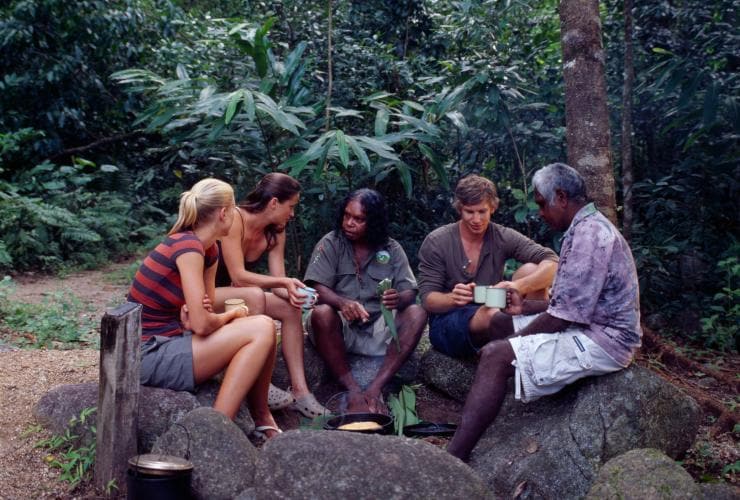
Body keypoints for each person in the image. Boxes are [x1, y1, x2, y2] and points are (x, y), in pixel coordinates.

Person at [446, 163, 642, 461]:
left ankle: (454, 457)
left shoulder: (590, 235)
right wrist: (525, 307)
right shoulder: (583, 227)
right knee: (501, 321)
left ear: (561, 197)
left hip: (606, 341)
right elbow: (570, 305)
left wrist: (515, 345)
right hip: (587, 325)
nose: (539, 212)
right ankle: (497, 403)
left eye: (541, 203)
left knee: (496, 354)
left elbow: (564, 317)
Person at [128, 178, 281, 439]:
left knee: (263, 328)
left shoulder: (209, 250)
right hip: (147, 353)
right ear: (223, 213)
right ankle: (214, 432)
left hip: (172, 339)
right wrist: (230, 315)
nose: (236, 215)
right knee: (262, 326)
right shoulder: (187, 247)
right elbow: (202, 324)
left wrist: (203, 319)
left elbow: (204, 316)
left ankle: (260, 415)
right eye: (234, 209)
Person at [213, 173, 328, 418]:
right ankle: (258, 383)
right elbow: (239, 275)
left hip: (235, 295)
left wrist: (293, 292)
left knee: (290, 308)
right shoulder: (234, 219)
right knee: (253, 295)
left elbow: (278, 284)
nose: (293, 213)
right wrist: (284, 282)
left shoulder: (276, 231)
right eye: (291, 206)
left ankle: (301, 391)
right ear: (274, 202)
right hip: (206, 295)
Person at [303, 189, 427, 413]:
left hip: (380, 330)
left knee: (417, 312)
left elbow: (410, 291)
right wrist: (342, 303)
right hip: (342, 330)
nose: (349, 223)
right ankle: (352, 389)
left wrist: (397, 298)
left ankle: (375, 388)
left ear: (374, 221)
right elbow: (316, 287)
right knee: (321, 313)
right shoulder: (331, 242)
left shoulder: (391, 248)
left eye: (359, 219)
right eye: (347, 216)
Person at [417, 174, 559, 359]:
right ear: (460, 209)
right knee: (494, 314)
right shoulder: (437, 241)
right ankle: (529, 347)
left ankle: (533, 348)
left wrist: (517, 286)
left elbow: (553, 262)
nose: (476, 219)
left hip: (494, 307)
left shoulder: (501, 235)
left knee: (531, 270)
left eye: (482, 211)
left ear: (493, 207)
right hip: (450, 321)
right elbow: (428, 299)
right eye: (470, 212)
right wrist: (453, 298)